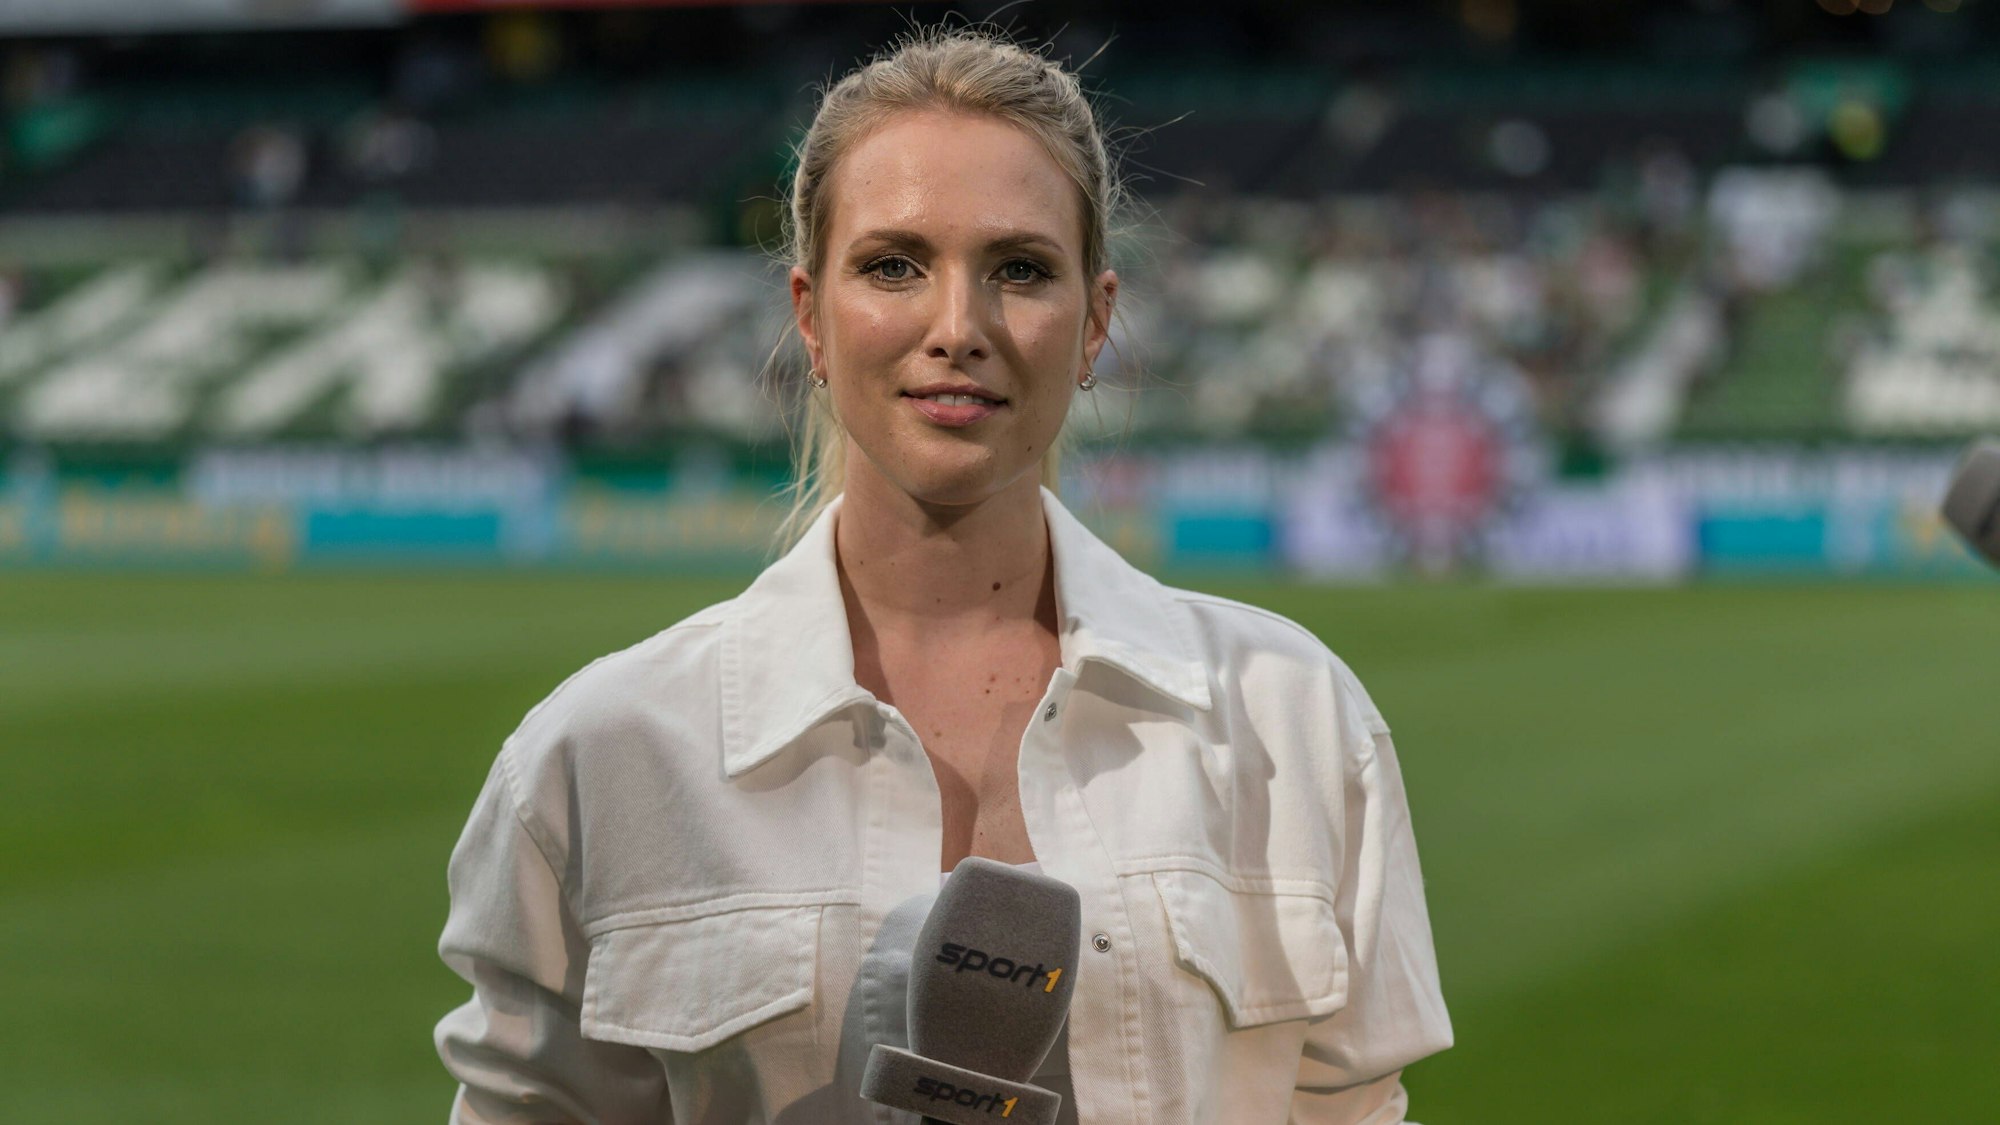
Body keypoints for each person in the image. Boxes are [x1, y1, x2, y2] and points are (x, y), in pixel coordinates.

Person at [435, 26, 1451, 1124]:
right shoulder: (602, 753)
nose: (955, 327)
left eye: (1018, 270)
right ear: (809, 316)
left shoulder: (1290, 720)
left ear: (1095, 321)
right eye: (891, 267)